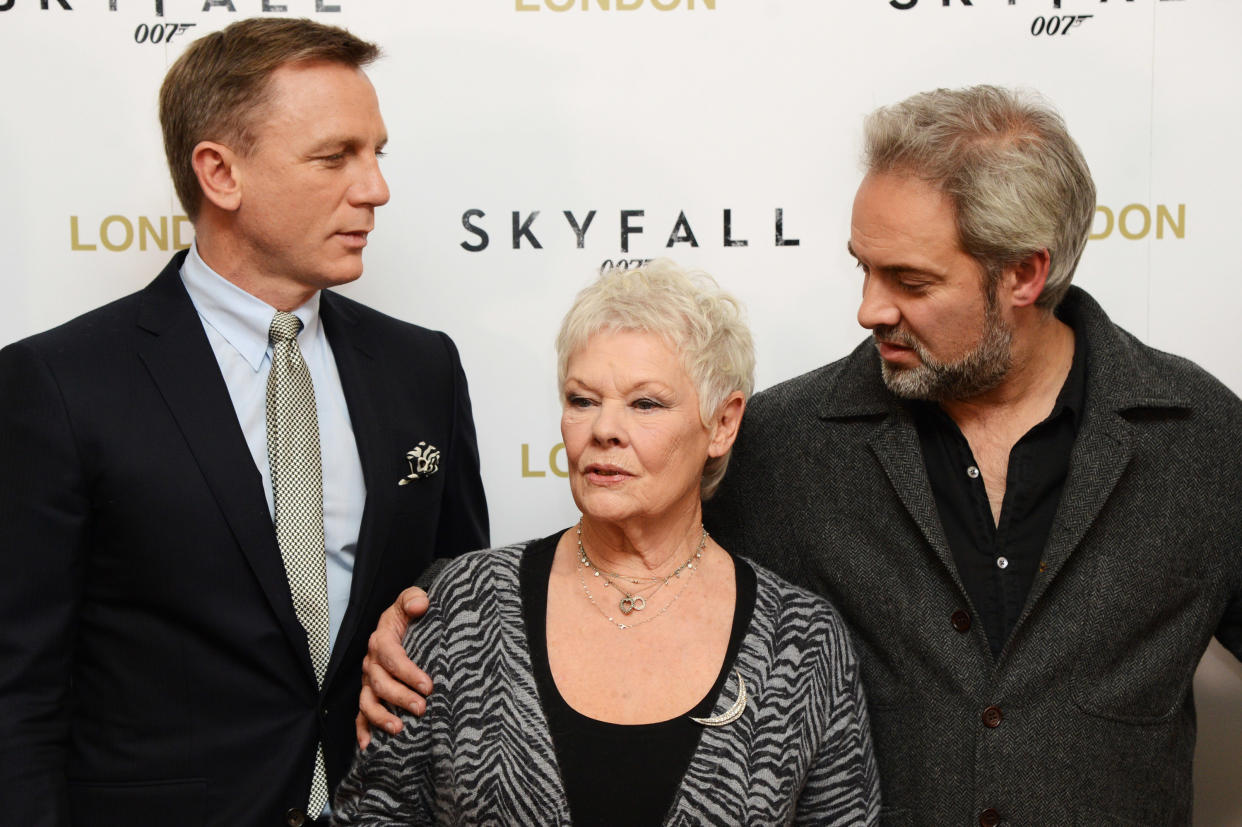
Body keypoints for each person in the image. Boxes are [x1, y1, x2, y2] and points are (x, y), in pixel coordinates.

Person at [359, 85, 1242, 825]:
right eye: (862, 267)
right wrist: (416, 633)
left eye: (910, 281)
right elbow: (628, 565)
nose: (867, 308)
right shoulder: (782, 439)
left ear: (1023, 274)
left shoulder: (1202, 440)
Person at [0, 17, 488, 827]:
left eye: (376, 153)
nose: (375, 189)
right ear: (220, 173)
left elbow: (463, 616)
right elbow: (17, 689)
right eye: (335, 157)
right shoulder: (57, 383)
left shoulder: (420, 368)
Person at [332, 261, 880, 825]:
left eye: (645, 404)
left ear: (722, 423)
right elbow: (377, 813)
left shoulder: (803, 641)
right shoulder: (465, 605)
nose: (603, 430)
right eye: (582, 400)